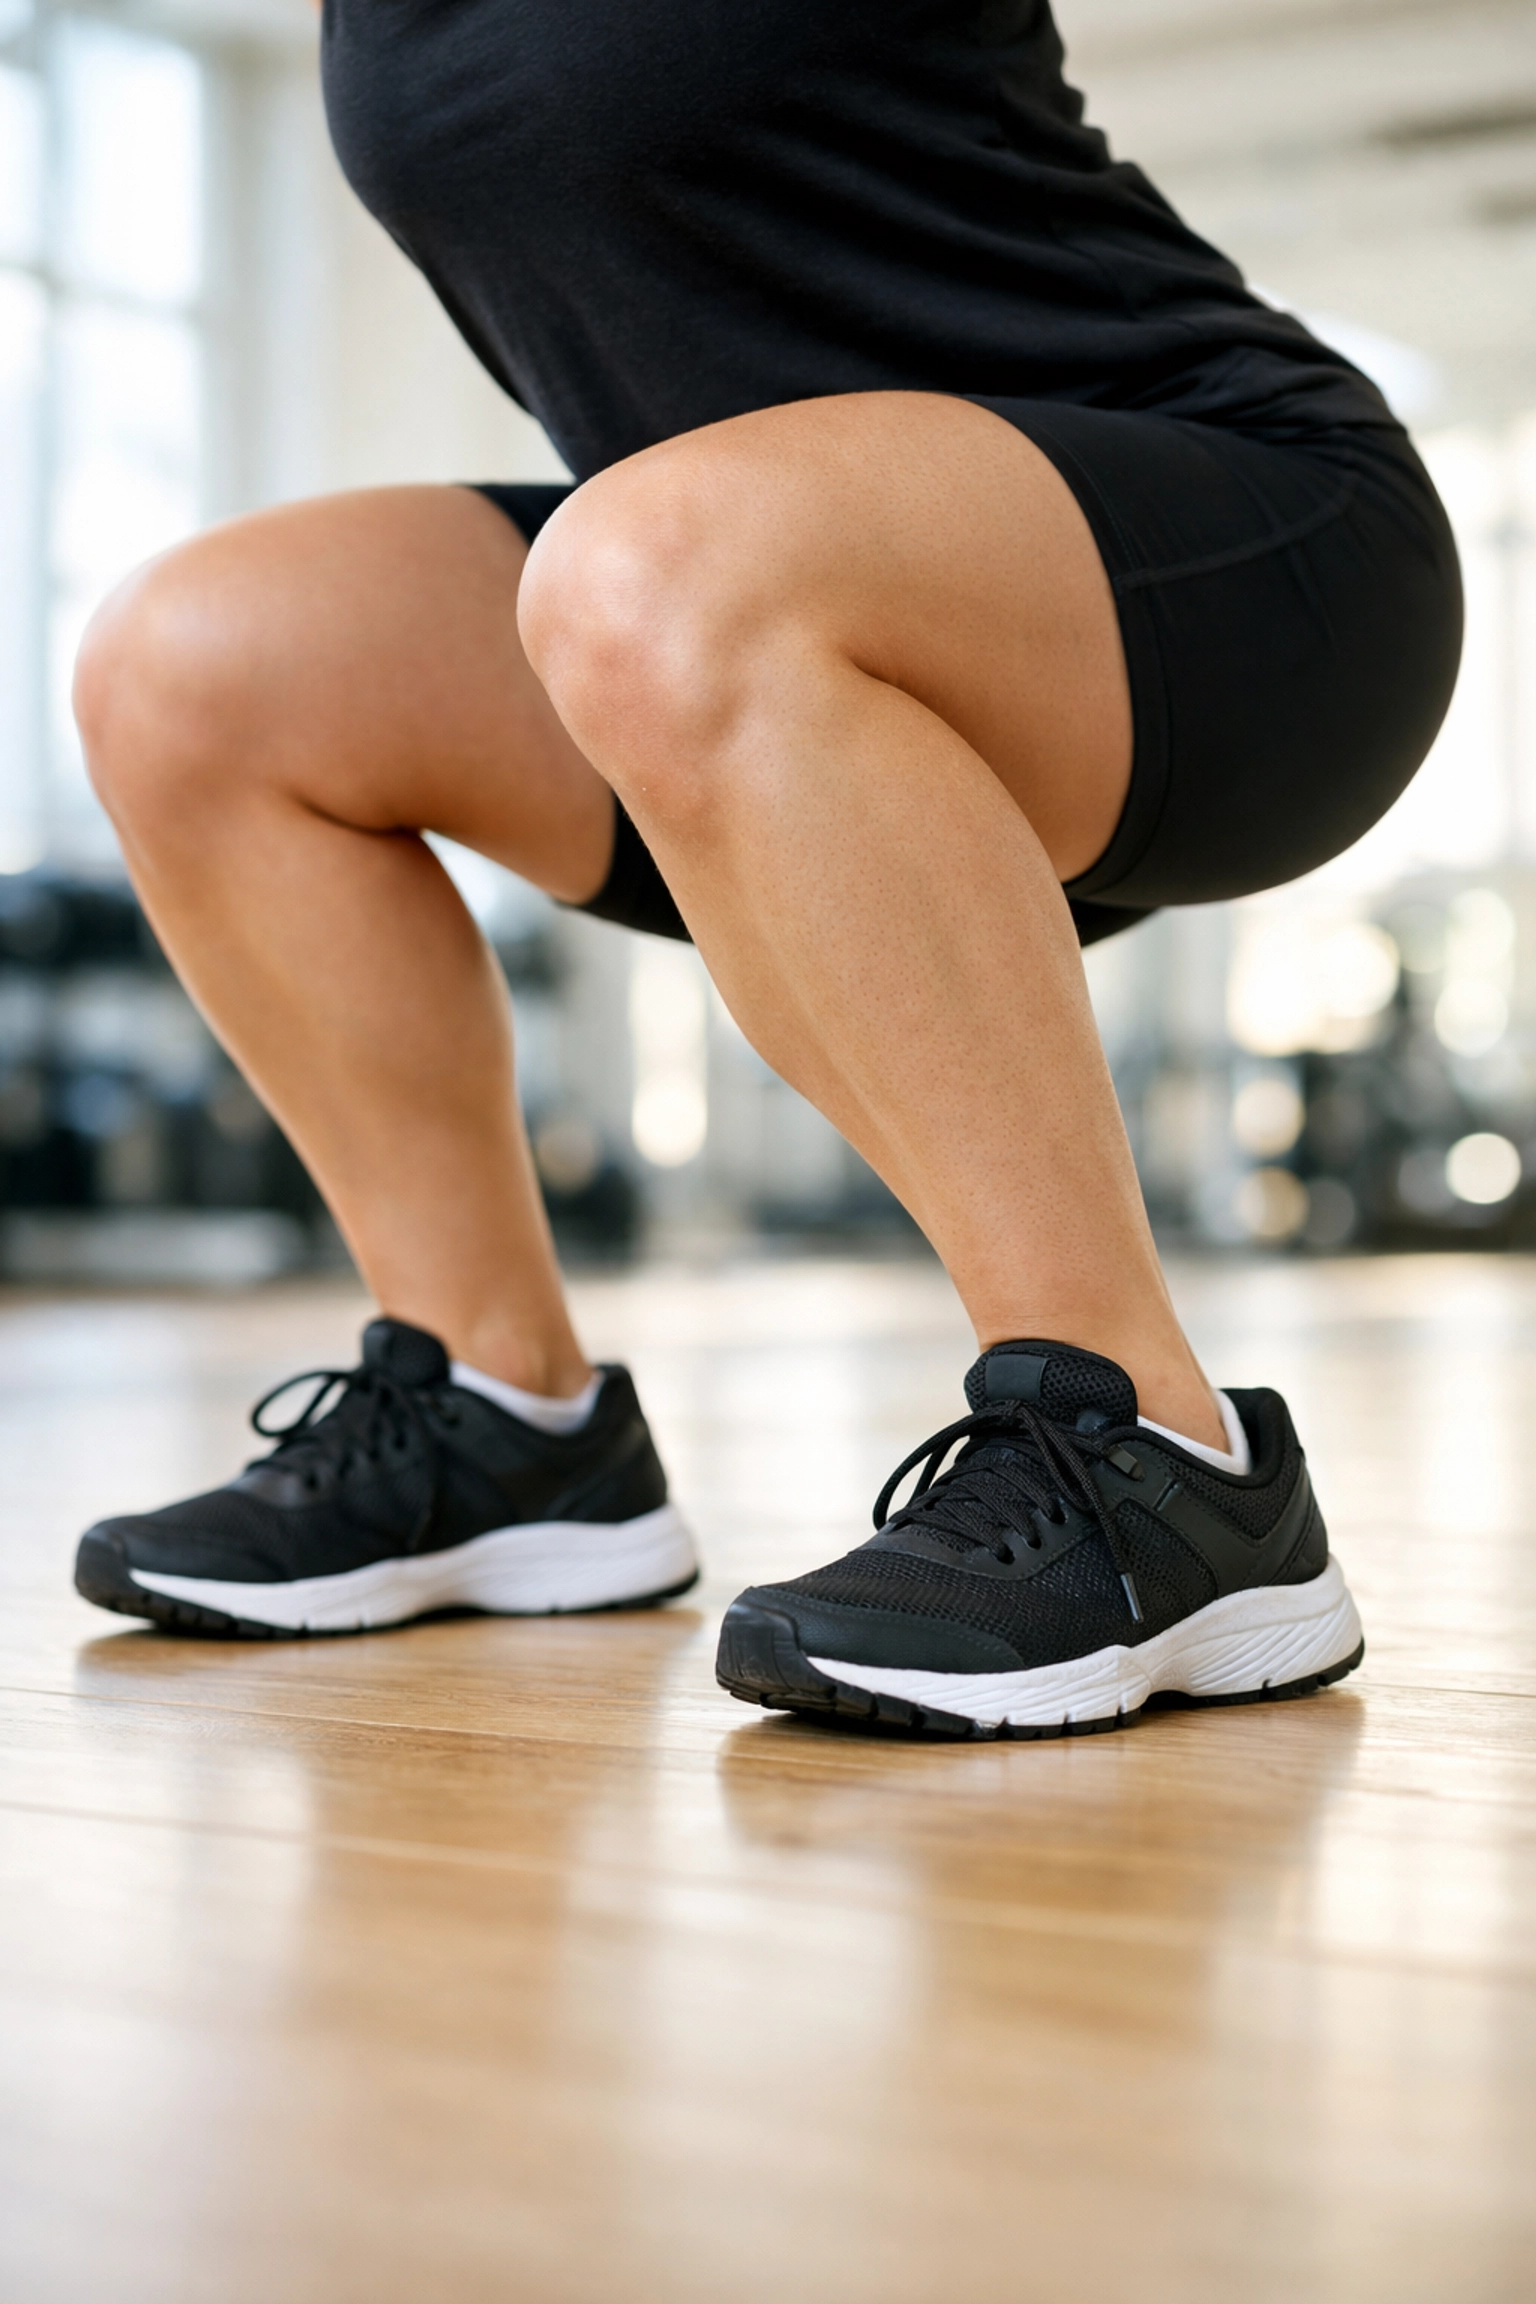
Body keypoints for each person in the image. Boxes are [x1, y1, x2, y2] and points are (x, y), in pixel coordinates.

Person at [69, 1, 1459, 1737]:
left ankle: (1161, 1459)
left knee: (649, 563)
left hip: (1243, 568)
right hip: (729, 623)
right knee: (188, 666)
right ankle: (508, 1422)